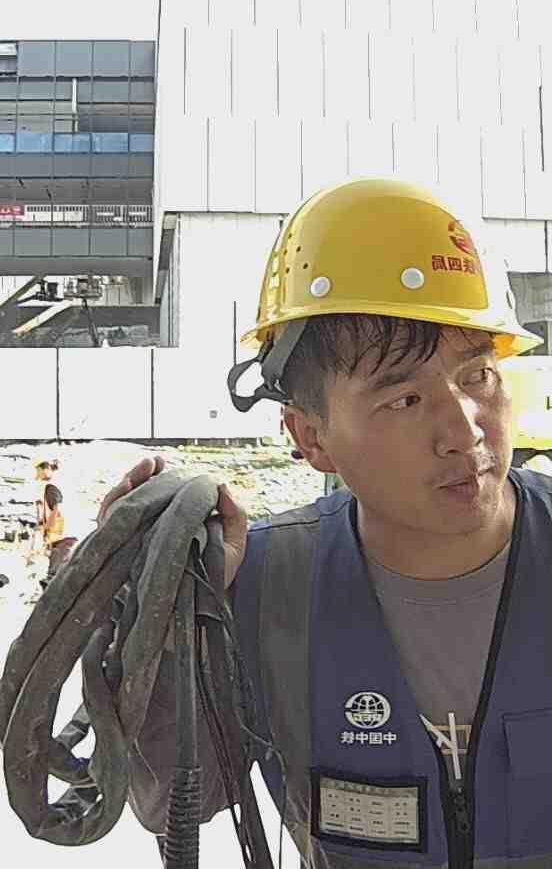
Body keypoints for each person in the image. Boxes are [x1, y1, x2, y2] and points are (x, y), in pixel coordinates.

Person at [100, 178, 552, 867]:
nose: (465, 432)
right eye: (404, 399)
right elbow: (170, 805)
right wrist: (158, 626)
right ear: (311, 437)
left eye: (477, 376)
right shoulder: (261, 587)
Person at [32, 454, 77, 587]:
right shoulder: (61, 483)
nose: (37, 474)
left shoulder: (51, 487)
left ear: (46, 469)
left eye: (38, 471)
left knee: (56, 568)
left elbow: (56, 509)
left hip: (61, 534)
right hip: (65, 533)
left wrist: (47, 526)